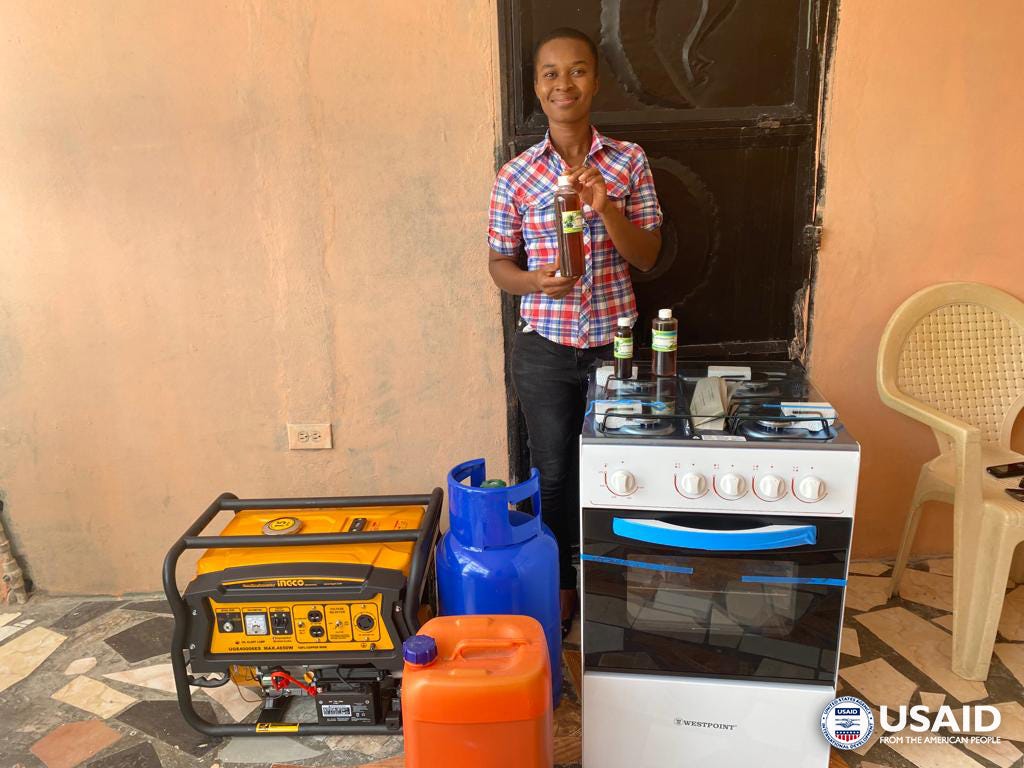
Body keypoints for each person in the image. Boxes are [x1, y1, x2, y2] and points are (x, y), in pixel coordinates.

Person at [486, 27, 663, 635]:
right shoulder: (515, 175)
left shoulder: (628, 161)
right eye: (551, 73)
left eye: (578, 70)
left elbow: (647, 256)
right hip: (544, 346)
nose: (565, 84)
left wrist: (607, 207)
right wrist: (535, 283)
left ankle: (609, 584)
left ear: (597, 80)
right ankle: (559, 589)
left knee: (619, 465)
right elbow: (497, 266)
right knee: (553, 470)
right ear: (536, 88)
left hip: (615, 346)